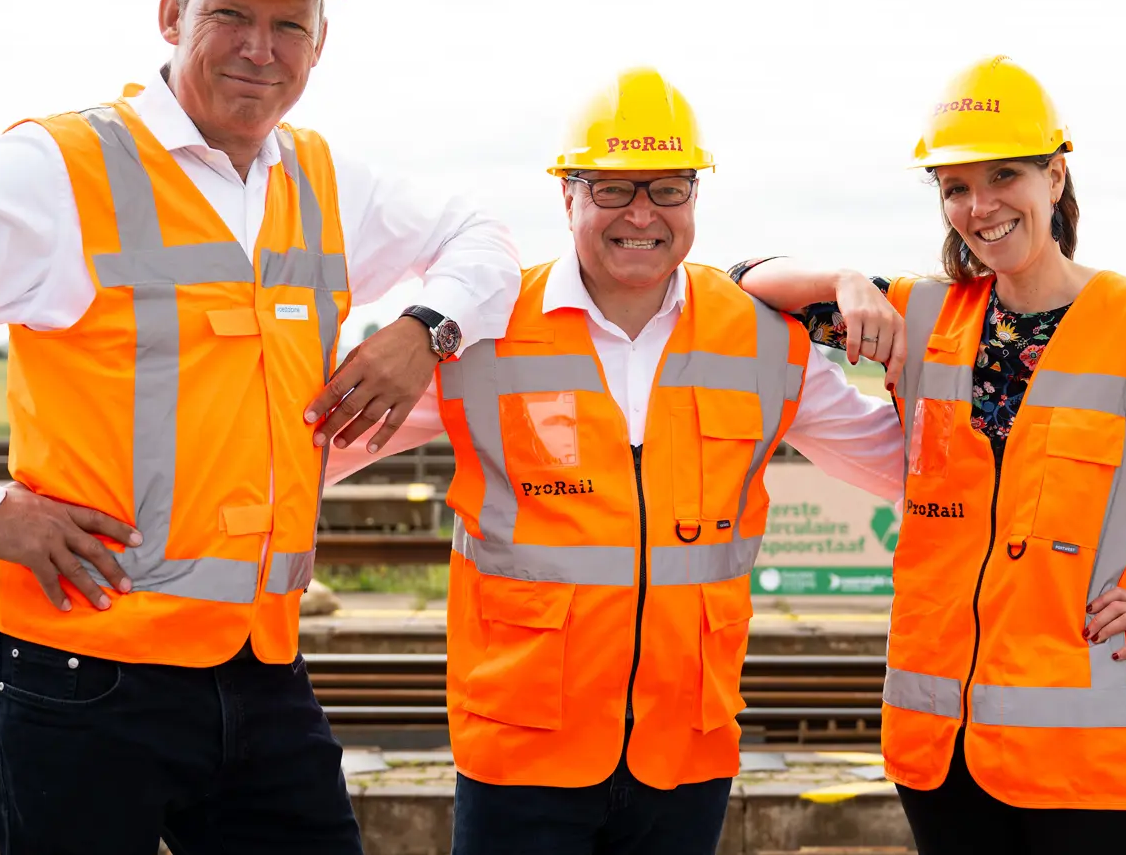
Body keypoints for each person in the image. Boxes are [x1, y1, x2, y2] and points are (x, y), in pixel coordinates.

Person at [0, 0, 521, 854]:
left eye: (289, 24)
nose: (259, 48)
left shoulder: (322, 181)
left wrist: (425, 330)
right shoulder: (64, 169)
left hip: (258, 668)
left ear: (320, 43)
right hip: (77, 671)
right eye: (231, 15)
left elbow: (484, 241)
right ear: (172, 15)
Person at [732, 55, 1126, 855]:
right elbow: (742, 280)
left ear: (1055, 175)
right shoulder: (919, 317)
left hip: (1103, 764)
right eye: (955, 187)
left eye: (1003, 175)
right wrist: (845, 280)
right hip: (945, 757)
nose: (979, 207)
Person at [327, 67, 907, 855]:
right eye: (612, 189)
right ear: (567, 195)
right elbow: (312, 453)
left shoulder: (763, 340)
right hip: (521, 750)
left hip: (684, 753)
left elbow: (900, 465)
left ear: (695, 197)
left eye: (668, 189)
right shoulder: (484, 333)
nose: (642, 213)